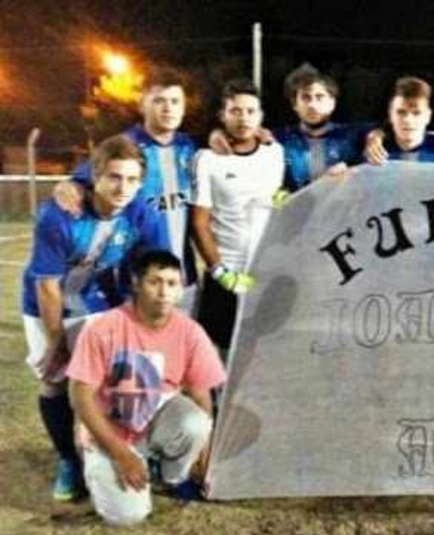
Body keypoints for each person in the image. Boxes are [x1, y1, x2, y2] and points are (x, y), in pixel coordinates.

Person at [22, 135, 169, 501]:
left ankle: (127, 448)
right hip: (47, 302)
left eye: (132, 179)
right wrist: (57, 344)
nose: (123, 188)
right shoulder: (59, 215)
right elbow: (48, 286)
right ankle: (68, 460)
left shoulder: (143, 214)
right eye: (114, 177)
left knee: (127, 372)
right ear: (95, 176)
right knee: (54, 380)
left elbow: (155, 271)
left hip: (98, 297)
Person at [67, 250, 226, 525]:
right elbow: (80, 397)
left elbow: (201, 394)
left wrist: (204, 451)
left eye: (172, 283)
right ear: (136, 284)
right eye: (154, 282)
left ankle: (171, 477)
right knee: (128, 516)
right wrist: (121, 454)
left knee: (197, 424)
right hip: (110, 429)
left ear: (180, 289)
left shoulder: (190, 332)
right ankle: (103, 465)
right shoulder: (102, 328)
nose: (164, 292)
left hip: (156, 418)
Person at [55, 68, 199, 305]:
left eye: (175, 101)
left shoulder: (190, 147)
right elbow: (80, 181)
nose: (168, 108)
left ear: (184, 108)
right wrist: (69, 184)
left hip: (185, 278)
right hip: (138, 281)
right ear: (142, 105)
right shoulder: (124, 146)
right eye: (159, 101)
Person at [191, 79, 284, 353]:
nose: (244, 118)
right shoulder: (207, 159)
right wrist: (220, 272)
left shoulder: (275, 152)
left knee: (262, 352)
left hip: (265, 272)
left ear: (261, 116)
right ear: (223, 115)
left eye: (250, 111)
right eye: (235, 111)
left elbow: (279, 200)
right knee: (217, 354)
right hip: (227, 273)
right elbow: (199, 222)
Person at [276, 63, 367, 192]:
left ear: (332, 103)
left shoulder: (353, 136)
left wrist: (376, 136)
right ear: (295, 104)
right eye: (306, 97)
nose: (312, 104)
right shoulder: (280, 139)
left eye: (319, 97)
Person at [366, 76, 434, 165]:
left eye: (416, 113)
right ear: (390, 115)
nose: (408, 120)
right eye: (401, 112)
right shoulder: (375, 146)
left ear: (428, 116)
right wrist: (374, 135)